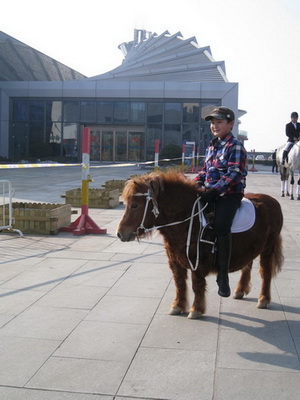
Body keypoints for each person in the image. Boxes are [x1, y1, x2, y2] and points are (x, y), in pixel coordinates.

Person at [194, 106, 247, 297]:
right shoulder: (211, 145)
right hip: (210, 191)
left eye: (219, 122)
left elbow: (235, 173)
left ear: (231, 124)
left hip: (229, 194)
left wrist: (215, 191)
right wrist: (196, 183)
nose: (215, 126)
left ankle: (223, 275)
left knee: (221, 226)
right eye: (212, 123)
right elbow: (205, 171)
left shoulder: (236, 146)